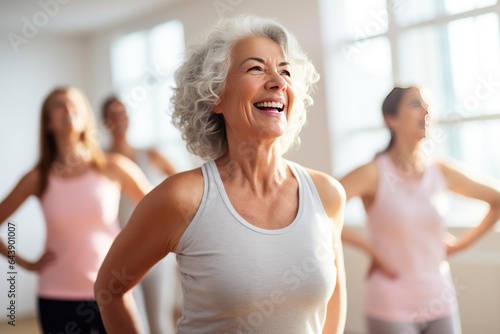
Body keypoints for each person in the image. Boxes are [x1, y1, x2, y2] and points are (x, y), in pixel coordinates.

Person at [95, 15, 346, 334]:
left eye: (285, 71)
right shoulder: (181, 199)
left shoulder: (327, 195)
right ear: (215, 95)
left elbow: (335, 297)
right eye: (256, 68)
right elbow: (109, 289)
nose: (278, 82)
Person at [340, 86, 500, 334]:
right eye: (415, 104)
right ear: (391, 119)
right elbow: (318, 209)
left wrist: (460, 245)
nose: (426, 111)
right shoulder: (373, 173)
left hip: (439, 298)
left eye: (428, 105)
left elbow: (497, 200)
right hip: (390, 303)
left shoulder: (441, 172)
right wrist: (371, 249)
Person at [0, 86, 151, 333]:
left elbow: (162, 212)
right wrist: (25, 264)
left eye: (74, 104)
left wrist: (136, 265)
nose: (67, 109)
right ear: (48, 123)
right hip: (55, 295)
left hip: (110, 294)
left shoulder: (113, 167)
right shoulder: (37, 178)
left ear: (86, 116)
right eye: (59, 105)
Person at [102, 96, 181, 333]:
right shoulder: (101, 162)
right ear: (104, 122)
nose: (118, 119)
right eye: (112, 115)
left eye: (122, 113)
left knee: (159, 321)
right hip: (120, 254)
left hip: (156, 252)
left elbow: (181, 190)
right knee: (132, 323)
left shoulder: (151, 155)